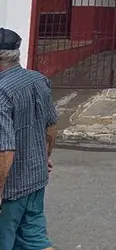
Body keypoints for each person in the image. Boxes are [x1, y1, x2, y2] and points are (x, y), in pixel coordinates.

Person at [0, 28, 57, 250]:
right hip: (36, 179)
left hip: (11, 188)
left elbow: (5, 151)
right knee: (34, 239)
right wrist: (44, 156)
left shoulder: (1, 92)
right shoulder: (37, 79)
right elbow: (51, 127)